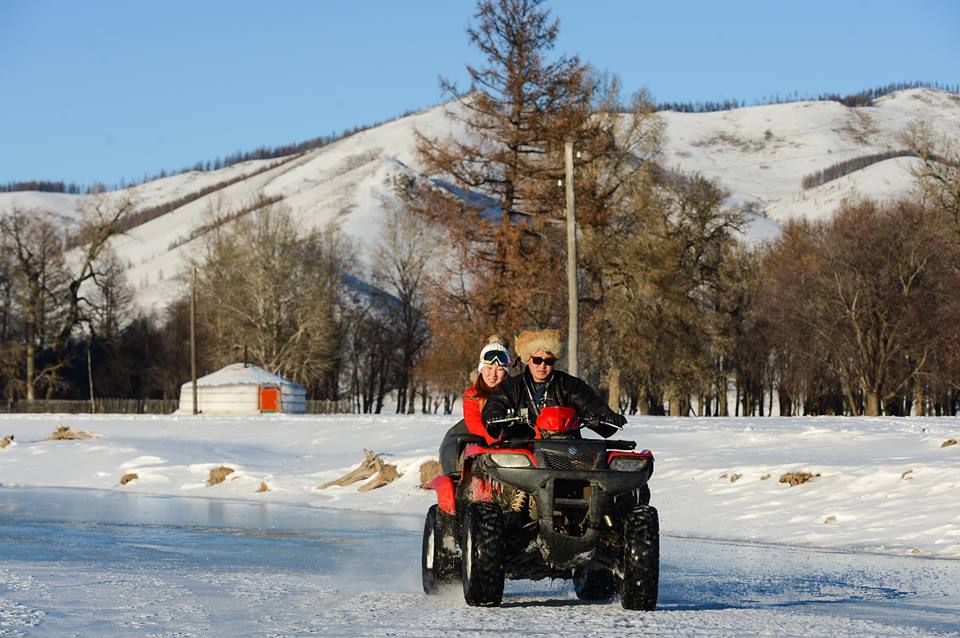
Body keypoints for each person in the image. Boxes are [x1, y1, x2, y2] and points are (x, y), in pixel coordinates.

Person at [482, 329, 626, 440]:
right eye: (537, 360)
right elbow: (496, 404)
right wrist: (495, 416)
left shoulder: (571, 386)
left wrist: (604, 417)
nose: (542, 366)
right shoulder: (511, 387)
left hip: (566, 450)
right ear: (527, 359)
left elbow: (589, 403)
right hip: (522, 450)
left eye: (549, 361)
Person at [438, 336, 512, 475]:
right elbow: (474, 424)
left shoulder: (514, 392)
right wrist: (496, 441)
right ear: (481, 369)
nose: (493, 375)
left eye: (499, 369)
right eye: (489, 368)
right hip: (482, 443)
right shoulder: (472, 394)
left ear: (506, 372)